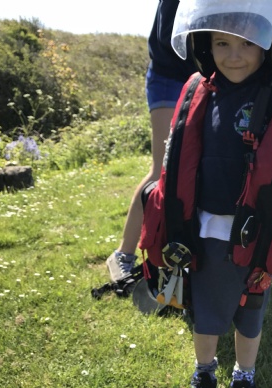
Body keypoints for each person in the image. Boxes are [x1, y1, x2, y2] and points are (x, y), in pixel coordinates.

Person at [139, 0, 272, 388]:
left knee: (251, 316)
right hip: (208, 230)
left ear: (271, 44)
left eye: (247, 43)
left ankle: (244, 374)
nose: (234, 55)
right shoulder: (203, 92)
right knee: (206, 313)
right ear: (205, 46)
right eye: (222, 43)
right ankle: (204, 371)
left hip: (260, 233)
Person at [106, 0, 196, 282]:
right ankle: (123, 254)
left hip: (208, 78)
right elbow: (167, 37)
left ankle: (188, 257)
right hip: (170, 77)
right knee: (161, 170)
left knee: (199, 171)